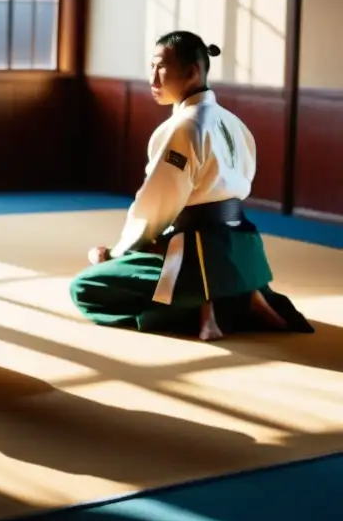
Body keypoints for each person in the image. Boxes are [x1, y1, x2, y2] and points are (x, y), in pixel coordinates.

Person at [69, 31, 314, 340]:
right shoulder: (233, 122)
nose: (153, 78)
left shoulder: (185, 127)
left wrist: (119, 251)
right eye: (151, 67)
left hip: (197, 251)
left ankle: (216, 307)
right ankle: (235, 295)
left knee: (86, 287)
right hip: (241, 247)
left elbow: (156, 204)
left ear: (192, 72)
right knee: (142, 264)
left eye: (161, 67)